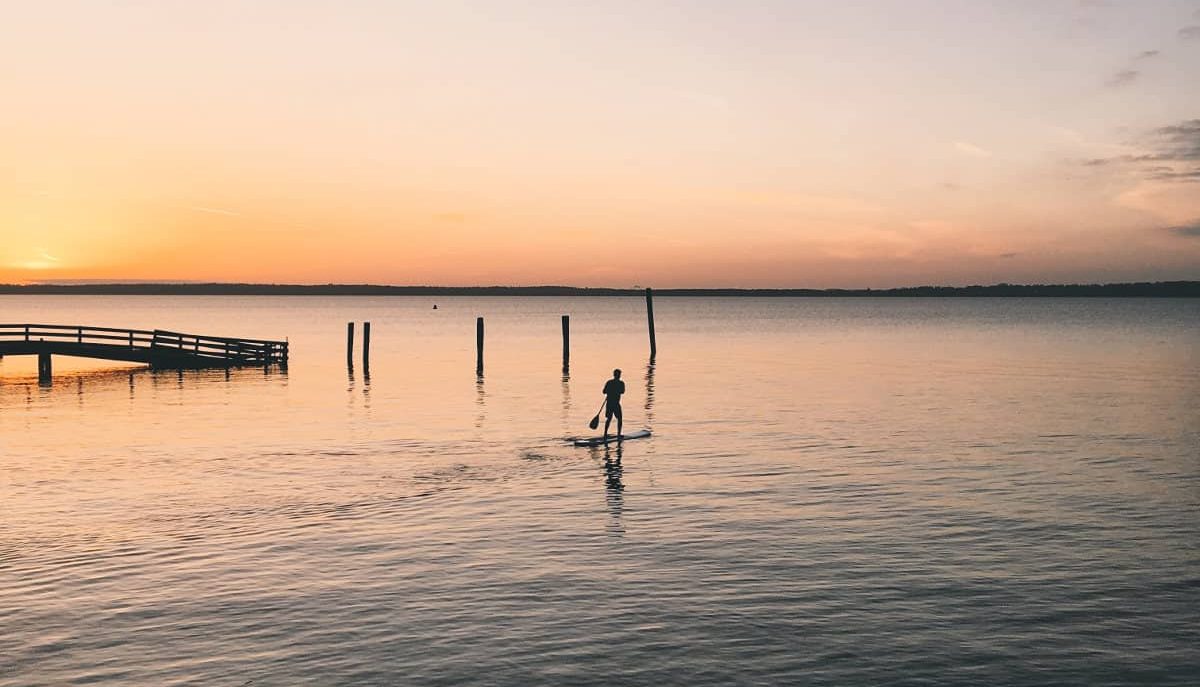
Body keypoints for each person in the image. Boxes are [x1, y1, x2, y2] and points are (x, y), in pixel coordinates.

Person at [602, 368, 625, 441]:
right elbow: (622, 391)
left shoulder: (609, 382)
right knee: (619, 419)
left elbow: (604, 391)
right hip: (615, 403)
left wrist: (610, 391)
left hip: (609, 403)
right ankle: (618, 434)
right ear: (618, 375)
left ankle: (605, 434)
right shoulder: (621, 383)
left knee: (609, 418)